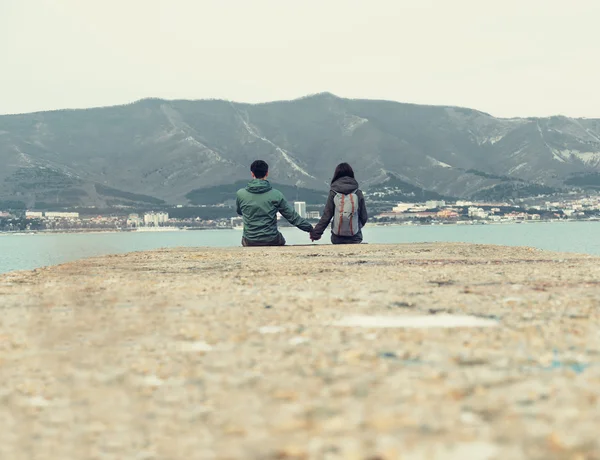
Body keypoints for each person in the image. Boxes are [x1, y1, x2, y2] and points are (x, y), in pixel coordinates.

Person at [236, 160, 313, 246]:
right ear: (267, 173)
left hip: (249, 241)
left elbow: (240, 211)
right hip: (271, 239)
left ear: (252, 174)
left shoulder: (241, 194)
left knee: (245, 240)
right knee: (280, 238)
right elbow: (292, 217)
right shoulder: (276, 195)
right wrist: (311, 229)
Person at [310, 163, 368, 244]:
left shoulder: (333, 192)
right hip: (355, 237)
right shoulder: (358, 192)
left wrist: (316, 234)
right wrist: (355, 227)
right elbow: (364, 217)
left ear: (336, 175)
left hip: (337, 238)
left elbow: (327, 216)